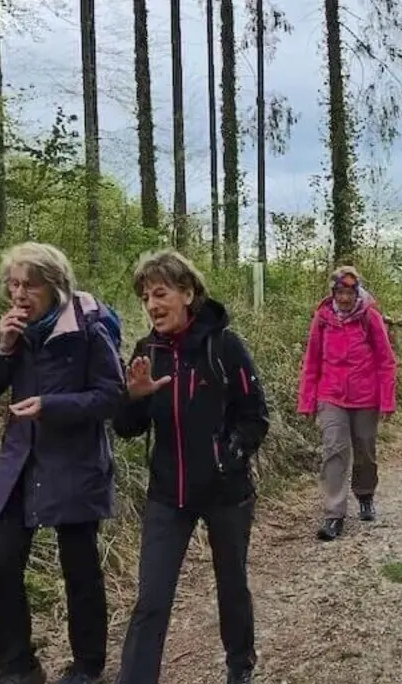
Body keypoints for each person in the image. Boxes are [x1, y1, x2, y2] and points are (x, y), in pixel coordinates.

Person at [0, 241, 125, 684]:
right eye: (13, 284)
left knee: (78, 565)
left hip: (75, 463)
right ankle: (18, 667)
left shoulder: (87, 332)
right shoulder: (15, 335)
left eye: (29, 285)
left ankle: (88, 665)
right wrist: (2, 346)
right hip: (21, 463)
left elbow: (111, 397)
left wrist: (51, 405)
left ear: (54, 288)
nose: (18, 294)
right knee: (2, 561)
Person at [112, 249, 269, 684]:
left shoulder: (225, 346)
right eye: (145, 297)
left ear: (187, 293)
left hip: (225, 492)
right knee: (151, 598)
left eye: (160, 293)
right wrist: (134, 397)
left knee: (231, 585)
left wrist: (228, 456)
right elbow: (127, 429)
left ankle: (240, 665)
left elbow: (256, 415)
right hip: (168, 494)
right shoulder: (147, 353)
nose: (152, 305)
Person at [296, 266, 397, 541]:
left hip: (366, 395)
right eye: (339, 292)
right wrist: (306, 401)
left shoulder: (370, 317)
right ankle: (333, 514)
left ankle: (365, 495)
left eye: (349, 292)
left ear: (357, 292)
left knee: (364, 448)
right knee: (334, 449)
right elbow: (311, 362)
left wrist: (387, 400)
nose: (344, 298)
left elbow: (386, 361)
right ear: (333, 293)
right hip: (330, 395)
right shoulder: (323, 319)